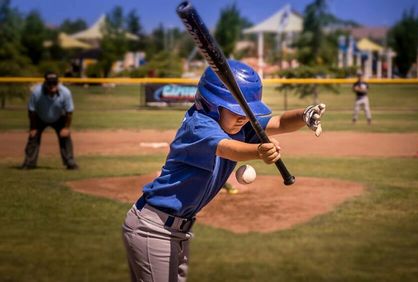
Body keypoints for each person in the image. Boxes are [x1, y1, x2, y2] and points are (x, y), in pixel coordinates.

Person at [122, 60, 326, 282]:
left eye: (247, 112)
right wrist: (259, 151)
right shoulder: (199, 126)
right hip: (154, 228)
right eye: (236, 111)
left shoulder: (236, 126)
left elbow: (279, 122)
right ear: (211, 104)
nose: (244, 118)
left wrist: (303, 115)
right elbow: (229, 149)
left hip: (177, 231)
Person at [21, 71, 78, 170]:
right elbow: (32, 111)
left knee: (65, 136)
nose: (52, 85)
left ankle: (70, 162)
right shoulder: (37, 92)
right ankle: (29, 163)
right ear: (45, 83)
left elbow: (69, 112)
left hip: (59, 117)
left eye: (54, 83)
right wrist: (33, 127)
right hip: (40, 117)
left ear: (58, 83)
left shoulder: (65, 92)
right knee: (33, 136)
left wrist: (66, 127)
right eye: (49, 83)